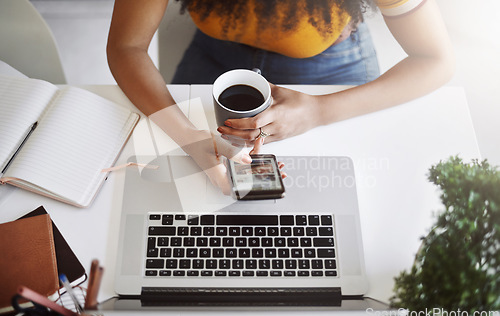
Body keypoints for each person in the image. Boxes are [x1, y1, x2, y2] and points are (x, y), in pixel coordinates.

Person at [107, 0, 454, 193]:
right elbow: (127, 46)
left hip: (330, 66)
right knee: (181, 192)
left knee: (331, 195)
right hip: (215, 55)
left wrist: (319, 111)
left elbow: (436, 61)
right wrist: (190, 139)